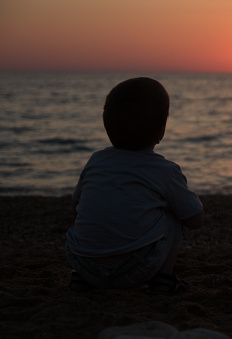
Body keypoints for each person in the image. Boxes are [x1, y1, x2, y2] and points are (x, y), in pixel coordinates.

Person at [65, 77, 204, 295]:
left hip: (84, 264)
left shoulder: (96, 160)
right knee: (174, 214)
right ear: (161, 131)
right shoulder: (165, 170)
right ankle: (163, 280)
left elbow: (75, 209)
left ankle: (82, 279)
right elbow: (195, 220)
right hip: (137, 269)